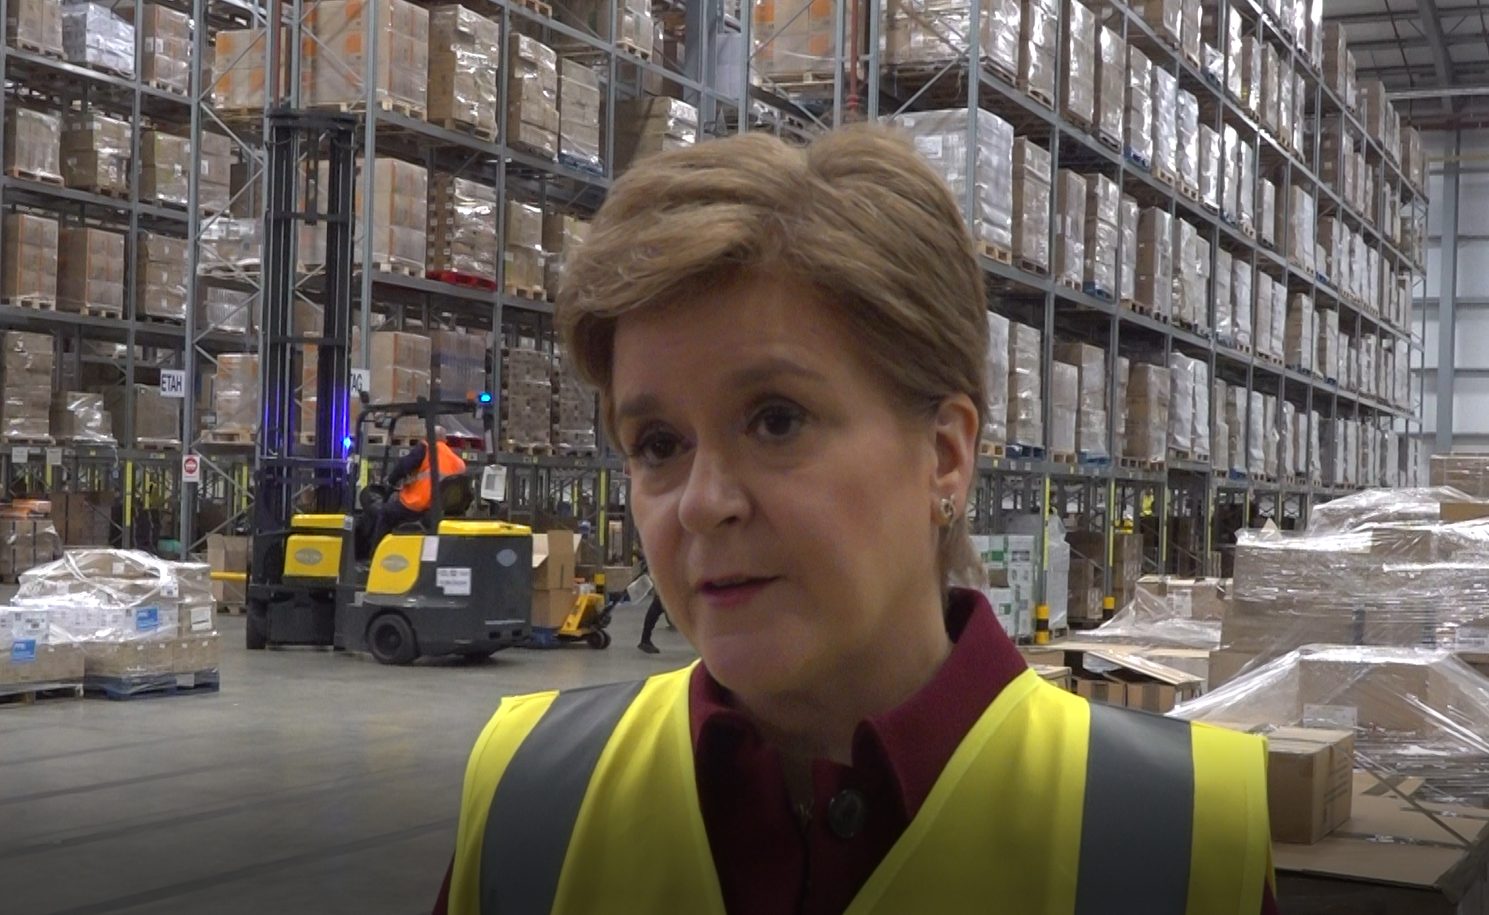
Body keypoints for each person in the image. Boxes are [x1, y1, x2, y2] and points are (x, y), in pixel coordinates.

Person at [432, 128, 1276, 914]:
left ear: (943, 456)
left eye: (776, 420)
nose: (700, 500)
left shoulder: (1179, 842)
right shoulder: (528, 803)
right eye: (658, 443)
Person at [373, 424, 466, 544]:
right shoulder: (457, 461)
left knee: (385, 513)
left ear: (427, 437)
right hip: (441, 509)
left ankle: (374, 552)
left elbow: (403, 467)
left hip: (418, 504)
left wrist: (391, 481)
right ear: (445, 440)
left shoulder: (425, 448)